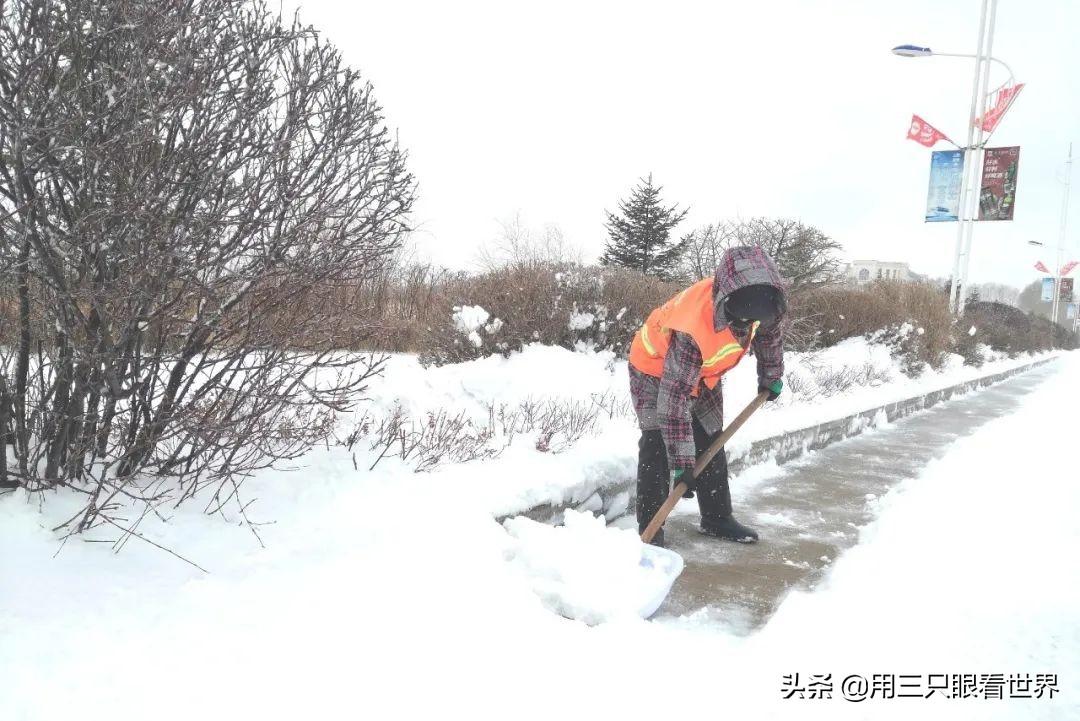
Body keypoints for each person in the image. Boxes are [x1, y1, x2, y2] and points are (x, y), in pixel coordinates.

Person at [627, 245, 787, 547]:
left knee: (711, 437)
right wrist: (682, 464)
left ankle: (716, 517)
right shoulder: (694, 326)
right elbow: (674, 402)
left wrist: (771, 376)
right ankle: (651, 532)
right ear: (726, 301)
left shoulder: (766, 303)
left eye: (752, 322)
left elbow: (770, 339)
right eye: (739, 321)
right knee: (658, 442)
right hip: (654, 368)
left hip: (703, 373)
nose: (744, 328)